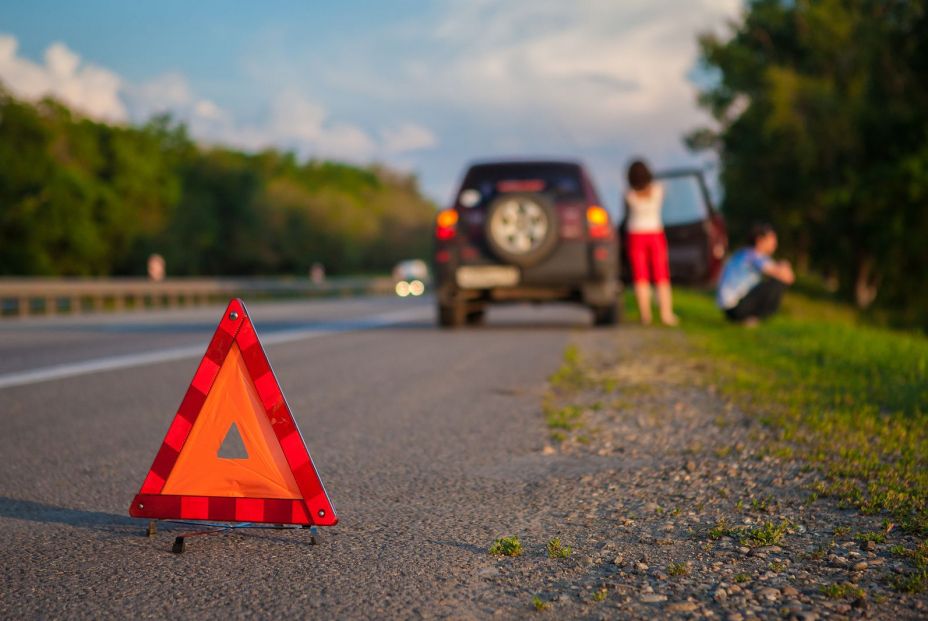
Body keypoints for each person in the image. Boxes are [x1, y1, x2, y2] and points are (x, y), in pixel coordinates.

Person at [624, 159, 678, 325]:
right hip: (655, 234)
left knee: (640, 276)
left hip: (635, 235)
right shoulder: (658, 190)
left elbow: (625, 216)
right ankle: (666, 314)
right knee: (662, 275)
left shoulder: (629, 195)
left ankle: (645, 316)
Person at [717, 223, 795, 325]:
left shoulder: (745, 253)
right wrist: (784, 265)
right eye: (772, 240)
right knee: (776, 284)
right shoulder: (754, 255)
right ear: (760, 240)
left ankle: (750, 319)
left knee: (774, 282)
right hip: (735, 307)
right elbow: (787, 278)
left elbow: (786, 277)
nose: (775, 244)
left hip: (730, 307)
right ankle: (752, 318)